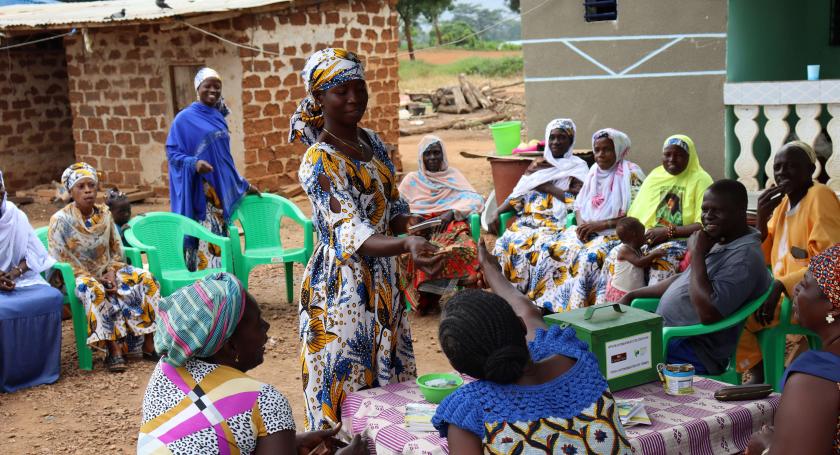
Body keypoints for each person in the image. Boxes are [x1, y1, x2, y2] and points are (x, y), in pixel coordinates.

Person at [291, 48, 440, 430]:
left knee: (388, 388)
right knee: (347, 385)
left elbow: (393, 204)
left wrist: (416, 227)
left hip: (384, 281)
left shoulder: (373, 143)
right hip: (341, 287)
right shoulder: (318, 161)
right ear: (318, 97)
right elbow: (351, 233)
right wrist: (405, 245)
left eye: (360, 87)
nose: (354, 97)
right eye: (341, 90)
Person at [432, 240, 632, 454]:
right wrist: (490, 268)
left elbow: (526, 314)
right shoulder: (574, 356)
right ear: (520, 326)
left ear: (462, 369)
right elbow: (528, 312)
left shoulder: (469, 409)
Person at [139, 273, 367, 454]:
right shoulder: (265, 401)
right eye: (258, 322)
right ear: (231, 347)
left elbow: (200, 441)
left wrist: (287, 442)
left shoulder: (166, 369)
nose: (267, 327)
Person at [618, 180, 772, 375]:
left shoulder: (744, 258)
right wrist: (632, 295)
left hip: (692, 349)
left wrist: (697, 252)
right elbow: (684, 279)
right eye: (705, 210)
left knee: (611, 362)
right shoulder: (721, 239)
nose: (707, 217)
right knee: (596, 347)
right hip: (668, 335)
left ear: (740, 211)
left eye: (716, 211)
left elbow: (709, 313)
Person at [737, 141, 840, 383]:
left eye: (792, 166)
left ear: (810, 169)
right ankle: (755, 367)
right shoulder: (783, 204)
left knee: (737, 315)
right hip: (781, 295)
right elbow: (760, 257)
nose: (782, 172)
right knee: (729, 304)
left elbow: (830, 263)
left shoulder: (819, 196)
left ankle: (758, 374)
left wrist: (781, 284)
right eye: (778, 167)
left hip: (812, 297)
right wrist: (761, 220)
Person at [48, 163, 160, 373]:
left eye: (91, 185)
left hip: (108, 270)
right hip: (76, 277)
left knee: (147, 279)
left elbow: (117, 250)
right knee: (94, 289)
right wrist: (96, 279)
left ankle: (149, 342)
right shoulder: (60, 221)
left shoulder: (105, 215)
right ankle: (113, 349)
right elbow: (59, 259)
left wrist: (111, 272)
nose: (88, 190)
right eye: (81, 186)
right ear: (71, 191)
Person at [530, 128, 646, 311]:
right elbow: (579, 206)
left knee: (588, 258)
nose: (600, 155)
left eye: (606, 149)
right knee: (551, 249)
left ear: (619, 149)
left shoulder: (631, 173)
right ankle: (547, 306)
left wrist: (600, 225)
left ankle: (577, 310)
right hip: (591, 230)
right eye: (597, 150)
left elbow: (637, 215)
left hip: (618, 234)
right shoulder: (594, 171)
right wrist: (583, 225)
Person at [744, 244, 840, 455]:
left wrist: (765, 448)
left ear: (833, 306)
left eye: (805, 284)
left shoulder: (815, 379)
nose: (795, 287)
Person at [166, 67, 260, 272]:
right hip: (201, 191)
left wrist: (243, 185)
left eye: (217, 86)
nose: (213, 90)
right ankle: (204, 287)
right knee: (204, 236)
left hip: (219, 190)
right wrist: (194, 164)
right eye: (207, 86)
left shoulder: (218, 117)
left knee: (221, 237)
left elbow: (225, 160)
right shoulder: (184, 119)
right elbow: (172, 154)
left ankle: (223, 287)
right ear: (197, 88)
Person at [490, 118, 589, 302]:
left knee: (543, 249)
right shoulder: (537, 165)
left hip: (554, 225)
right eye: (552, 137)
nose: (556, 142)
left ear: (571, 141)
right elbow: (517, 195)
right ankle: (507, 298)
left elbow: (577, 202)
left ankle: (537, 300)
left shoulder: (578, 168)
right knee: (505, 243)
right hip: (526, 223)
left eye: (562, 138)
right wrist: (497, 211)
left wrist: (549, 188)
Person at [397, 135, 484, 313]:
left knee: (466, 248)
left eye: (436, 152)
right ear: (421, 157)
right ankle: (428, 299)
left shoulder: (453, 176)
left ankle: (468, 299)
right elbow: (397, 207)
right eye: (427, 154)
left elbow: (475, 200)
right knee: (421, 252)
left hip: (450, 226)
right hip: (421, 230)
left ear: (443, 154)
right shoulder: (412, 180)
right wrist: (412, 217)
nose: (432, 158)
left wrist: (451, 212)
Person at [0, 169, 65, 392]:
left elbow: (34, 254)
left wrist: (14, 273)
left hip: (19, 280)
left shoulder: (15, 215)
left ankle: (41, 370)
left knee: (51, 297)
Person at [604, 217, 666, 303]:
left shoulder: (637, 249)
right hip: (621, 292)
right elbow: (639, 262)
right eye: (643, 234)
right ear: (634, 235)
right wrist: (653, 254)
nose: (645, 237)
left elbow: (643, 264)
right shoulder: (624, 250)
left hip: (631, 293)